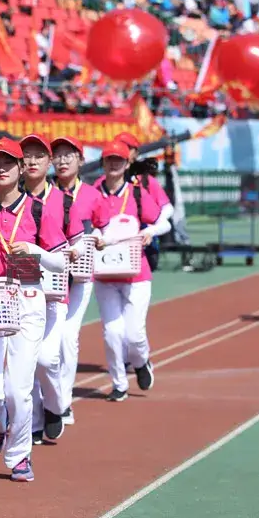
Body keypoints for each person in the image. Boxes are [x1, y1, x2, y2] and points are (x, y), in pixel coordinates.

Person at [0, 137, 69, 481]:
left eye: (8, 163)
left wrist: (34, 250)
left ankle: (19, 455)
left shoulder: (39, 210)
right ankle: (0, 421)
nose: (1, 169)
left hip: (28, 299)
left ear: (20, 168)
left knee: (18, 388)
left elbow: (61, 261)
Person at [92, 141, 170, 401]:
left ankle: (141, 360)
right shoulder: (94, 192)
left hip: (137, 274)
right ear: (102, 163)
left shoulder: (137, 193)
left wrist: (150, 231)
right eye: (109, 159)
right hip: (104, 274)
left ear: (127, 164)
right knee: (112, 332)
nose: (114, 164)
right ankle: (119, 384)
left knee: (134, 334)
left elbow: (164, 223)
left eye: (119, 159)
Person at [19, 134, 77, 444]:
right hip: (22, 293)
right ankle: (34, 422)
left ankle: (55, 405)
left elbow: (77, 240)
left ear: (49, 162)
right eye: (26, 155)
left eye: (38, 155)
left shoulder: (63, 201)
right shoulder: (11, 199)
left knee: (46, 359)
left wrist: (74, 251)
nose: (31, 161)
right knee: (25, 363)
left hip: (55, 292)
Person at [52, 135, 106, 425]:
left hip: (81, 275)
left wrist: (97, 237)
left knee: (67, 337)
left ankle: (63, 402)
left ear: (81, 161)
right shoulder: (44, 192)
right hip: (51, 275)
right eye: (57, 155)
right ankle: (45, 400)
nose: (62, 161)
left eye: (68, 155)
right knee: (48, 342)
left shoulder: (92, 195)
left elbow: (103, 226)